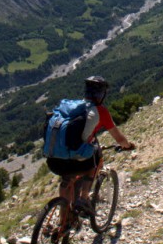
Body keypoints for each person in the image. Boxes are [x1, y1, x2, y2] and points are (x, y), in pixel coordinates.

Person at [46, 75, 135, 216]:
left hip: (53, 161)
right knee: (96, 158)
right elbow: (119, 138)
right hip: (77, 162)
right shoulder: (101, 111)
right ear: (102, 94)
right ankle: (84, 197)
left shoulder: (74, 107)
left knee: (66, 179)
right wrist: (128, 145)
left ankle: (63, 221)